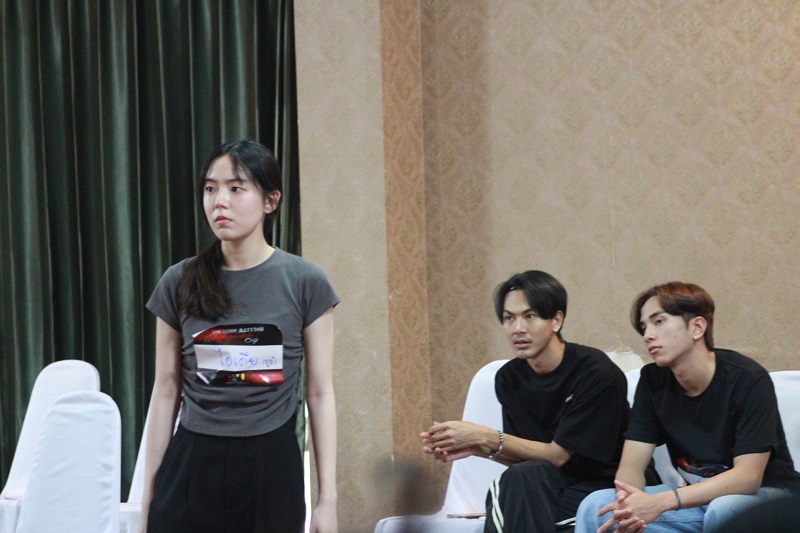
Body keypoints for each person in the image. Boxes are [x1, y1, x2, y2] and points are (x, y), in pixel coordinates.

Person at [138, 140, 340, 533]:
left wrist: (327, 500)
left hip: (271, 464)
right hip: (192, 462)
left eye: (236, 188)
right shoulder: (179, 280)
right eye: (210, 189)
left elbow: (319, 392)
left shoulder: (305, 282)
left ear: (270, 201)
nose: (219, 202)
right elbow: (165, 390)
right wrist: (149, 492)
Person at [421, 270, 646, 532]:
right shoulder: (509, 378)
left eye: (530, 316)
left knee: (511, 500)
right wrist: (477, 448)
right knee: (520, 480)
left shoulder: (595, 372)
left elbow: (558, 456)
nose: (518, 329)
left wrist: (483, 436)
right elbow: (529, 460)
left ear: (556, 320)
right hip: (550, 482)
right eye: (509, 318)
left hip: (607, 484)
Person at [575, 282, 800, 533]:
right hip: (695, 500)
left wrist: (663, 501)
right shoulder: (652, 381)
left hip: (768, 498)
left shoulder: (747, 379)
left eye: (659, 322)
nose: (648, 335)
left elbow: (748, 478)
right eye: (644, 327)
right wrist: (627, 505)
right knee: (596, 506)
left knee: (724, 510)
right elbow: (632, 465)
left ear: (697, 327)